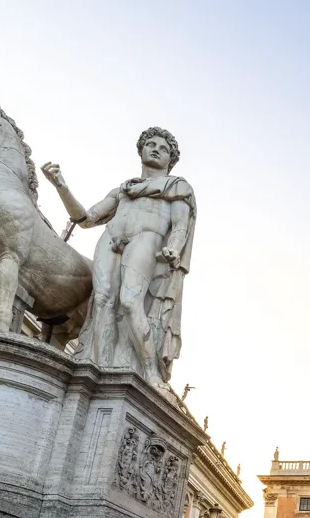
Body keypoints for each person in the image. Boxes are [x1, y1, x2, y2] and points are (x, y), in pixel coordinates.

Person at [42, 128, 196, 387]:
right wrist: (61, 187)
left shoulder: (177, 187)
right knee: (101, 300)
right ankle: (96, 369)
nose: (156, 149)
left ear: (171, 159)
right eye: (150, 144)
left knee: (129, 302)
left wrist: (174, 247)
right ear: (141, 151)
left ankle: (151, 373)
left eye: (164, 148)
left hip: (146, 240)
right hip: (110, 241)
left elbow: (180, 226)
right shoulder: (123, 190)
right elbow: (86, 219)